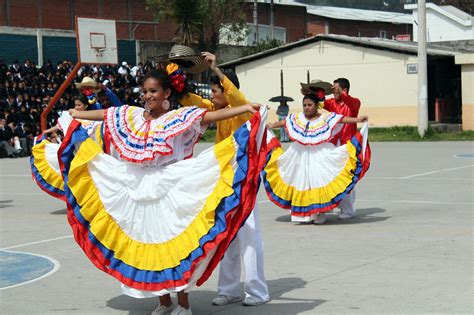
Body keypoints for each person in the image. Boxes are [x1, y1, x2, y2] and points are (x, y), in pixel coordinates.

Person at [32, 63, 268, 315]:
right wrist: (75, 115)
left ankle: (184, 304)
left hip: (170, 187)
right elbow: (106, 115)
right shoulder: (132, 116)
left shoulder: (176, 117)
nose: (148, 96)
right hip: (137, 187)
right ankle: (164, 300)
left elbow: (208, 116)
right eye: (145, 91)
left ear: (166, 93)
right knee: (149, 242)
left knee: (174, 247)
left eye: (153, 91)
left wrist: (245, 108)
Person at [180, 52, 270, 307]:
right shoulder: (216, 110)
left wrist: (217, 69)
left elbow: (238, 98)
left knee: (250, 238)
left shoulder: (242, 110)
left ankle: (258, 291)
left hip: (245, 181)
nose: (211, 95)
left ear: (225, 90)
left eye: (214, 90)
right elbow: (194, 102)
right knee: (226, 235)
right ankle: (230, 289)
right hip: (224, 181)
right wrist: (178, 83)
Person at [264, 92, 370, 224]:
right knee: (303, 183)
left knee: (319, 181)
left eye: (309, 105)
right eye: (304, 105)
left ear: (316, 106)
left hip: (320, 154)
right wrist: (271, 125)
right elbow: (284, 122)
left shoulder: (325, 118)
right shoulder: (297, 118)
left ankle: (320, 212)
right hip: (300, 155)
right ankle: (308, 214)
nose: (306, 107)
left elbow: (341, 119)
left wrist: (358, 120)